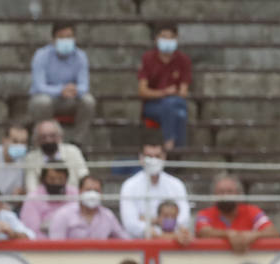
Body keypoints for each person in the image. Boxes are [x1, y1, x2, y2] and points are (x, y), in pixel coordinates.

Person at [29, 22, 95, 139]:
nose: (66, 41)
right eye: (61, 37)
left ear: (74, 38)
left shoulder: (80, 56)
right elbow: (39, 86)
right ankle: (44, 141)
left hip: (70, 99)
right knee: (42, 102)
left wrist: (74, 90)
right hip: (48, 99)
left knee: (88, 101)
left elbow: (84, 86)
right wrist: (60, 90)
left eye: (69, 37)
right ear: (53, 39)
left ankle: (78, 141)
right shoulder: (41, 55)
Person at [119, 139, 191, 238]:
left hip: (172, 246)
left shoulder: (177, 185)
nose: (153, 160)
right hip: (139, 246)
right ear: (141, 158)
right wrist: (163, 225)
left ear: (164, 157)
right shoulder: (129, 186)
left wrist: (147, 220)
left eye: (157, 156)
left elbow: (184, 219)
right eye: (149, 156)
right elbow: (131, 224)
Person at [137, 23, 191, 152]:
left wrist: (169, 96)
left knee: (172, 105)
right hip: (153, 105)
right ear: (156, 39)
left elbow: (183, 92)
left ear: (176, 39)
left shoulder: (183, 60)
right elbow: (142, 91)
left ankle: (169, 143)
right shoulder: (148, 59)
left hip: (176, 102)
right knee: (179, 115)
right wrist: (164, 92)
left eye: (171, 37)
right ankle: (175, 150)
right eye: (164, 37)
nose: (167, 40)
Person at [194, 173, 278, 253]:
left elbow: (273, 233)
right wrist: (228, 234)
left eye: (230, 191)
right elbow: (203, 232)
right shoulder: (204, 214)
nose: (225, 196)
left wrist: (254, 235)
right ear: (214, 195)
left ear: (238, 194)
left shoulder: (251, 211)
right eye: (221, 192)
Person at [47, 174, 127, 240]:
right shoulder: (63, 215)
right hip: (70, 257)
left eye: (96, 191)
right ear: (80, 191)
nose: (92, 194)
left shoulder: (108, 215)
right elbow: (55, 245)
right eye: (88, 190)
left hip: (100, 257)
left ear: (101, 194)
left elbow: (125, 240)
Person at [22, 119, 88, 193]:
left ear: (59, 136)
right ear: (37, 140)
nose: (48, 140)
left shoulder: (73, 151)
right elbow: (31, 187)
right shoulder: (31, 158)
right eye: (43, 137)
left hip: (74, 199)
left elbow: (84, 177)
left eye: (52, 136)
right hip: (42, 201)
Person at [20, 165, 76, 234]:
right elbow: (32, 231)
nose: (56, 182)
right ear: (43, 180)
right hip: (44, 242)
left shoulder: (75, 194)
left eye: (60, 179)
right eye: (52, 179)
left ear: (66, 179)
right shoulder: (33, 198)